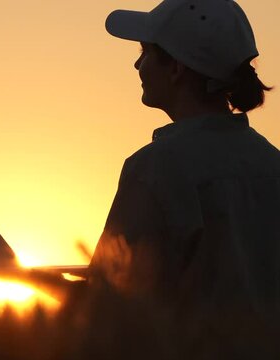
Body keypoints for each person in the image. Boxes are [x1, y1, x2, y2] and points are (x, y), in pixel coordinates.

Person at [88, 0, 280, 313]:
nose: (138, 66)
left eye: (146, 53)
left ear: (176, 68)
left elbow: (107, 305)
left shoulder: (155, 169)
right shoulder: (273, 164)